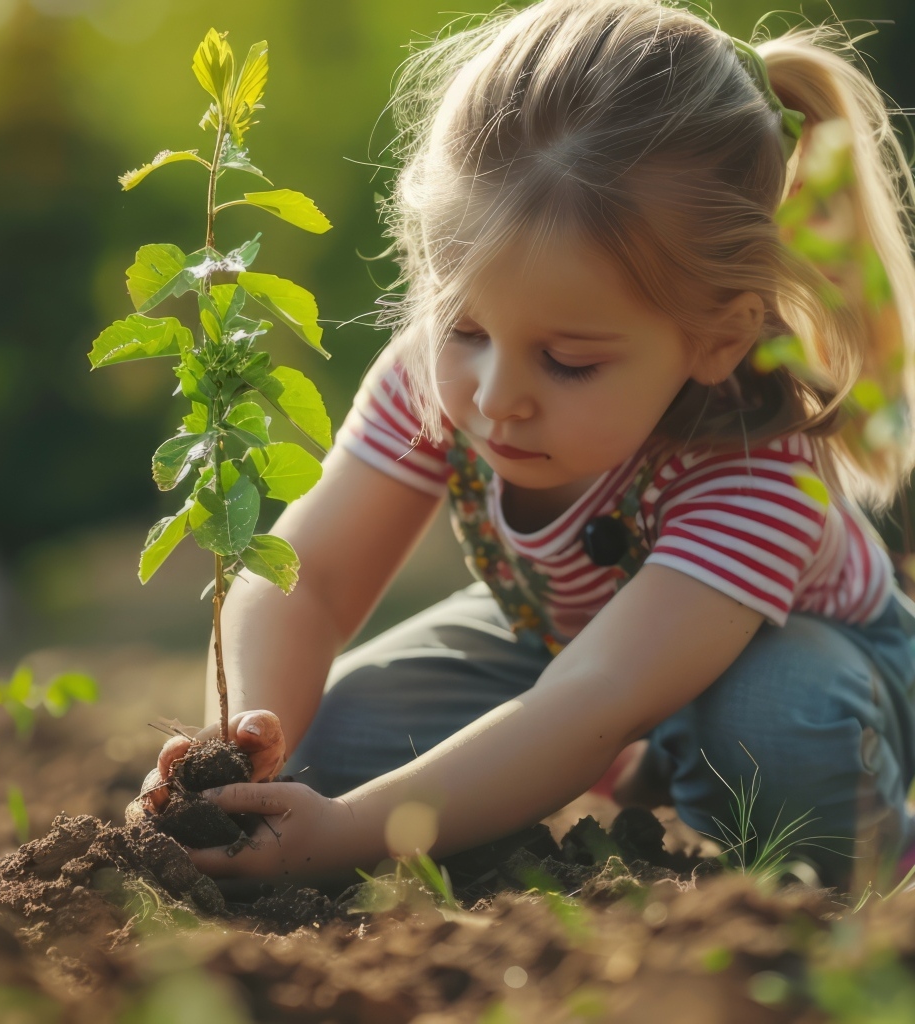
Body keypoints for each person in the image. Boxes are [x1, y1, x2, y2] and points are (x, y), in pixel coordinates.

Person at [140, 0, 915, 890]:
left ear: (718, 339)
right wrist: (237, 751)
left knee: (778, 731)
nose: (497, 396)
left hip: (789, 661)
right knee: (338, 745)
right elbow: (311, 577)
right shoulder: (442, 378)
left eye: (569, 361)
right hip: (564, 646)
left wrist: (352, 833)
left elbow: (599, 693)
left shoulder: (756, 466)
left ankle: (881, 844)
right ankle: (646, 760)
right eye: (463, 325)